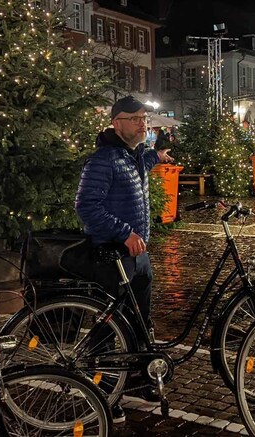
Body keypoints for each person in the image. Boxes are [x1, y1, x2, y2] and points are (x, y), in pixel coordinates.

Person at [74, 96, 174, 417]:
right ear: (116, 123)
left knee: (140, 323)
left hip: (138, 255)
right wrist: (124, 233)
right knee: (109, 328)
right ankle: (103, 393)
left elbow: (141, 165)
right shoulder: (103, 160)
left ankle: (137, 380)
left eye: (144, 118)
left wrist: (158, 156)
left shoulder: (134, 154)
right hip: (114, 255)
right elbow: (87, 207)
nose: (142, 123)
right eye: (135, 118)